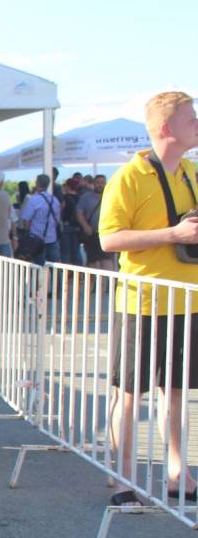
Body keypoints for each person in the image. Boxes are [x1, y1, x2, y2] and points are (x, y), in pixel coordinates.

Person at [100, 91, 198, 506]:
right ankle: (122, 476)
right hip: (142, 302)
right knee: (129, 392)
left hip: (187, 301)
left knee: (175, 391)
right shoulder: (129, 176)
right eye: (191, 119)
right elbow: (109, 238)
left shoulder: (191, 172)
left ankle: (178, 470)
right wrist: (172, 235)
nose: (197, 124)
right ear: (166, 128)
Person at [19, 174, 62, 265]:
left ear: (37, 183)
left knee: (38, 266)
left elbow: (26, 220)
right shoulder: (54, 200)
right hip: (52, 238)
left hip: (36, 239)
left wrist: (27, 232)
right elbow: (57, 219)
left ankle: (42, 279)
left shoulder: (33, 200)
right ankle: (58, 279)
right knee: (55, 266)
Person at [77, 174, 112, 270]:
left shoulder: (111, 196)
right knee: (93, 263)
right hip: (91, 234)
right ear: (93, 184)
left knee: (107, 262)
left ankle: (108, 285)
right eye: (97, 182)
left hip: (107, 233)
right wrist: (85, 226)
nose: (100, 185)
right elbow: (79, 212)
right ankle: (94, 285)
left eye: (102, 182)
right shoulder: (85, 197)